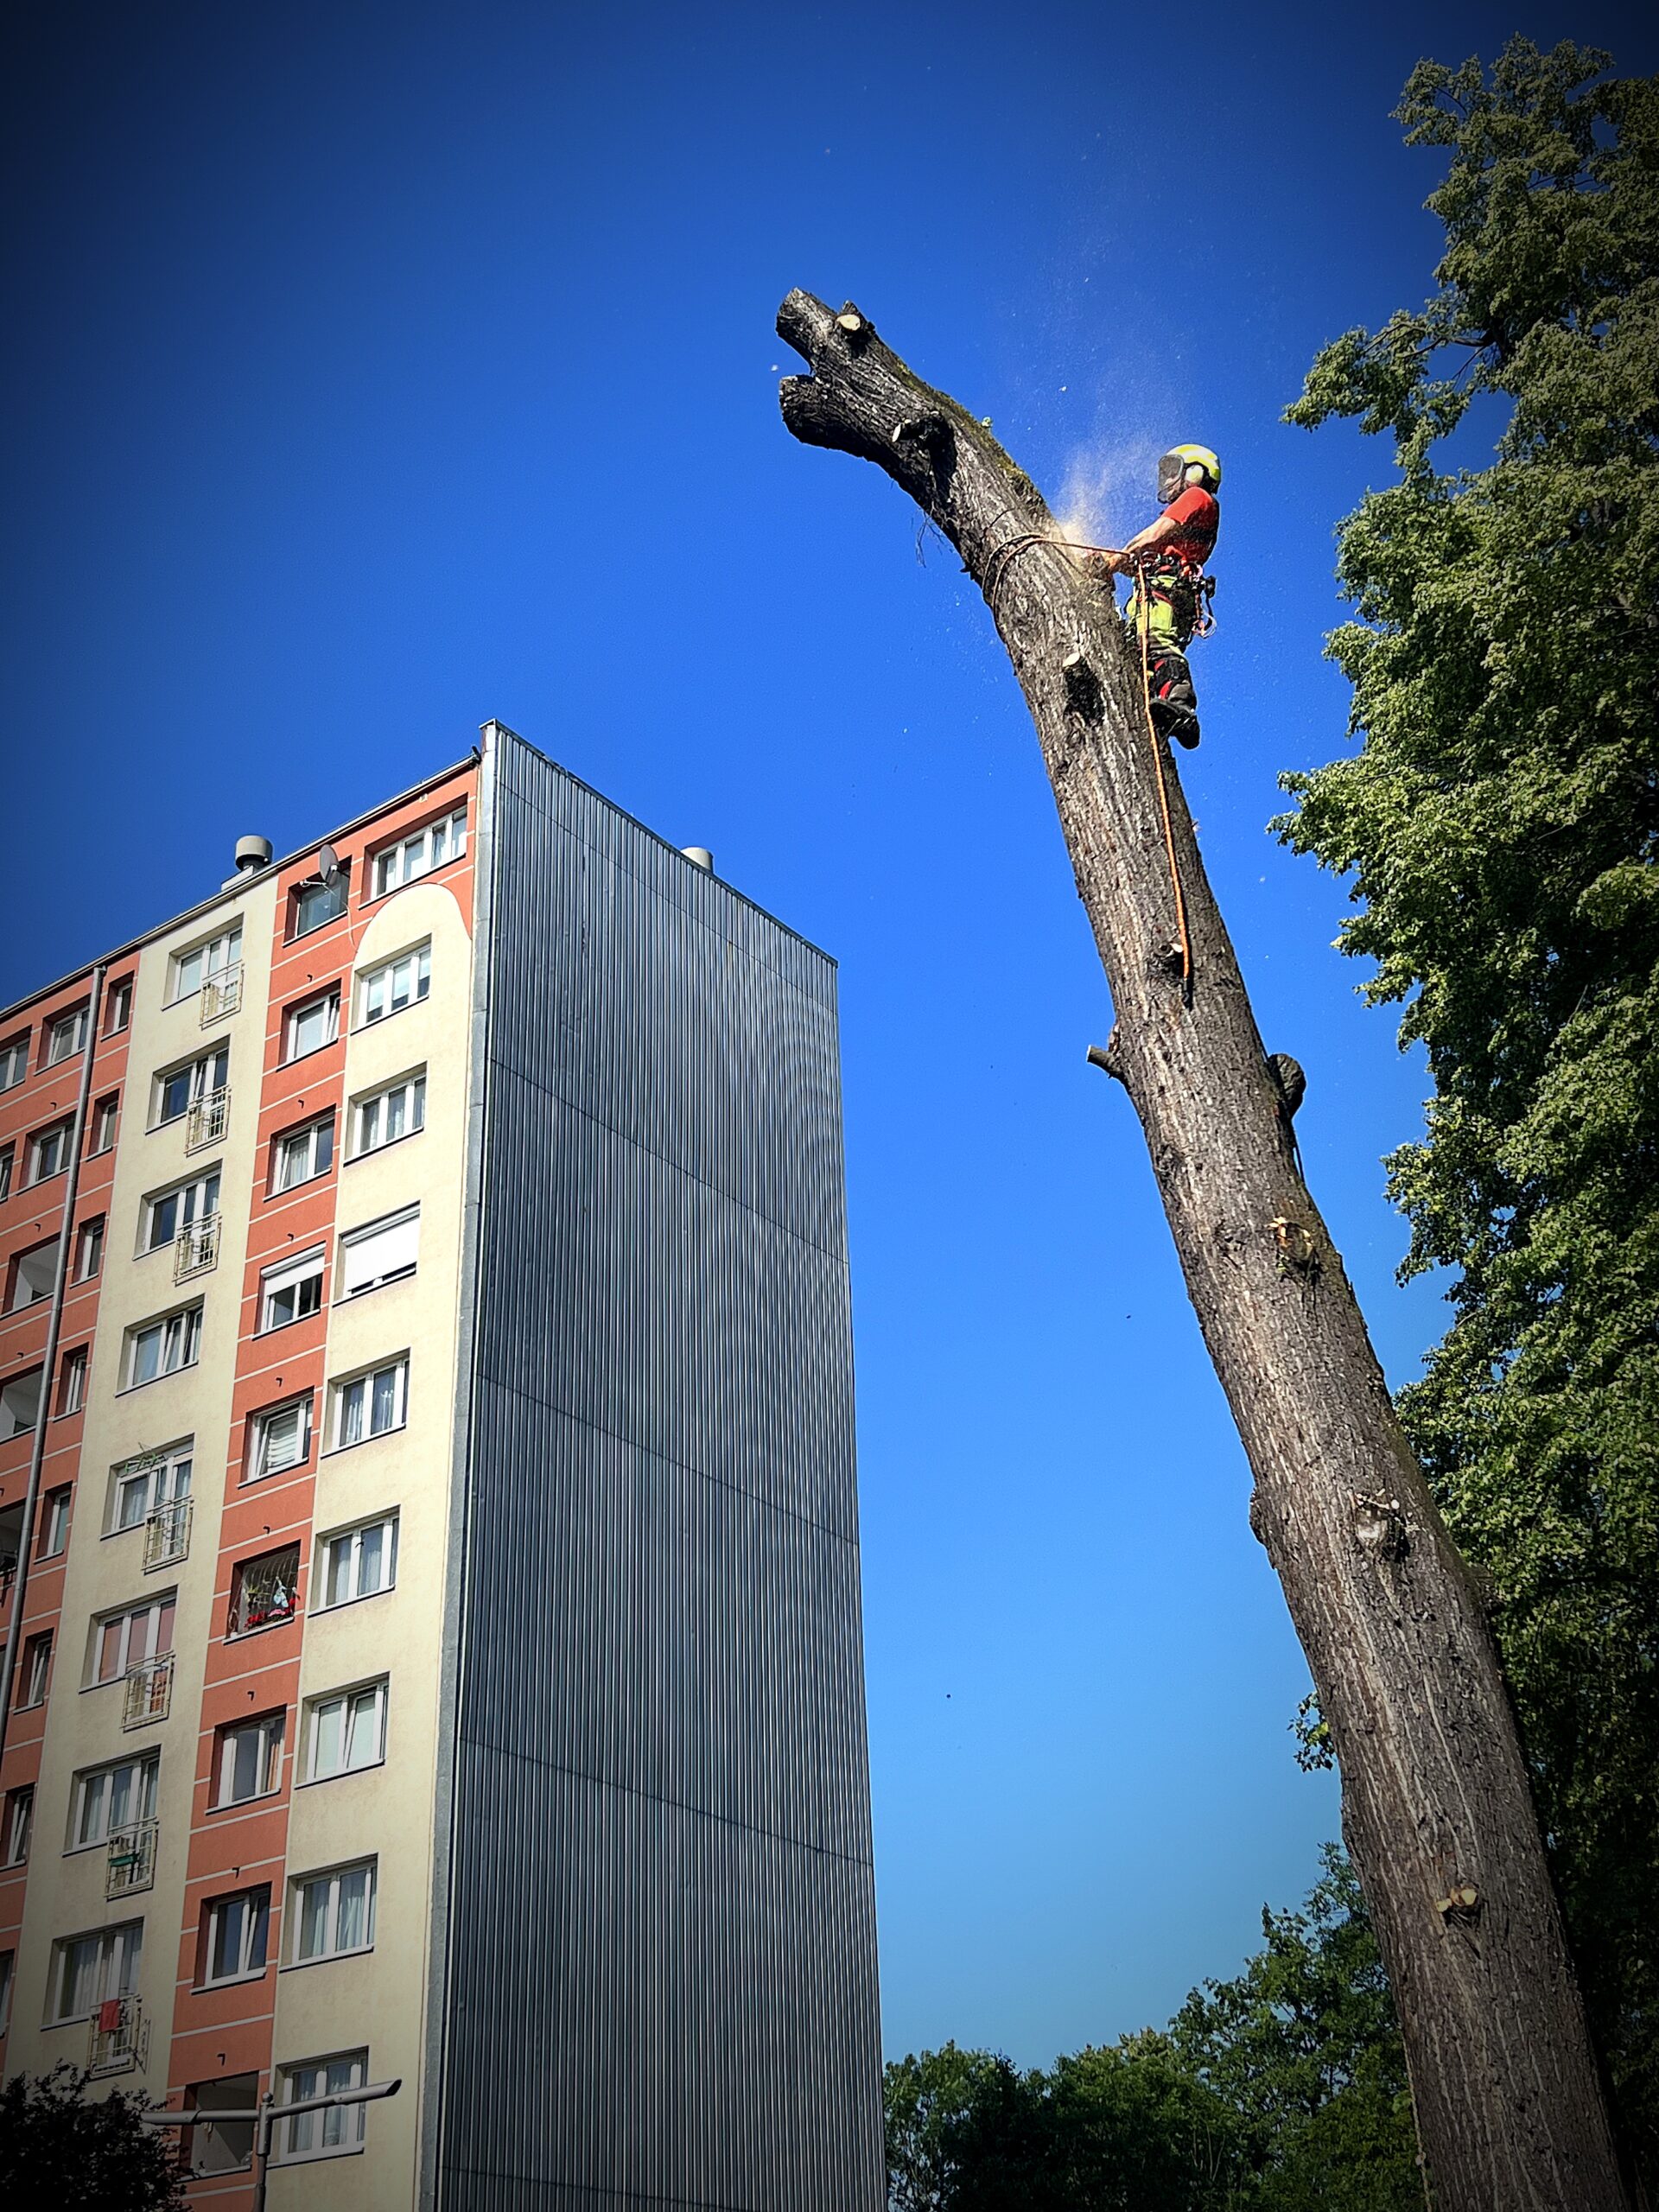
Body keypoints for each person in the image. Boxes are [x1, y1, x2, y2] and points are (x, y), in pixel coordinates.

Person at [1091, 444, 1220, 748]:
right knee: (1140, 655)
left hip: (1165, 593)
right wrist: (1107, 562)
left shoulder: (1196, 497)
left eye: (1175, 471)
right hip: (1157, 590)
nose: (1168, 480)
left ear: (1196, 472)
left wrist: (1114, 560)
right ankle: (1161, 708)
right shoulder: (1190, 520)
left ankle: (1181, 705)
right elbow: (1141, 558)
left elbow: (1152, 535)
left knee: (1156, 642)